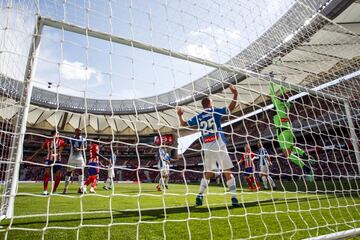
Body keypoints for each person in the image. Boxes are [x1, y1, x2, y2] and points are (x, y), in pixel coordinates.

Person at [177, 84, 239, 207]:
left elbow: (184, 124)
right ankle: (234, 198)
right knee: (228, 172)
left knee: (208, 173)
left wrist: (180, 115)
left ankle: (200, 195)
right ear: (210, 103)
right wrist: (235, 95)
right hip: (219, 144)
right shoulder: (214, 111)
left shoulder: (199, 117)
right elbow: (229, 109)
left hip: (207, 147)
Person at [269, 73, 314, 181]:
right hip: (289, 130)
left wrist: (271, 80)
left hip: (282, 133)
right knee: (292, 148)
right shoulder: (286, 106)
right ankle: (307, 157)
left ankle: (307, 169)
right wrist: (282, 83)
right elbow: (284, 96)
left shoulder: (279, 105)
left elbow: (272, 94)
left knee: (288, 154)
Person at [27, 130, 65, 195]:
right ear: (53, 135)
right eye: (57, 134)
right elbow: (40, 149)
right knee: (46, 173)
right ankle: (45, 190)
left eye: (59, 134)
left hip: (58, 160)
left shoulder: (61, 142)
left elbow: (60, 151)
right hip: (49, 160)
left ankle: (54, 191)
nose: (58, 135)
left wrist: (56, 155)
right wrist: (32, 157)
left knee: (59, 175)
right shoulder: (47, 142)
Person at [63, 128, 87, 194]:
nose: (79, 132)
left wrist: (79, 149)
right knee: (69, 172)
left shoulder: (83, 139)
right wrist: (67, 145)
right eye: (77, 131)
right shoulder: (71, 138)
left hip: (80, 157)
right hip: (72, 158)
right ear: (75, 132)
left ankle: (80, 188)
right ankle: (65, 188)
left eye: (80, 131)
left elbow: (85, 147)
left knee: (81, 172)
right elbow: (65, 144)